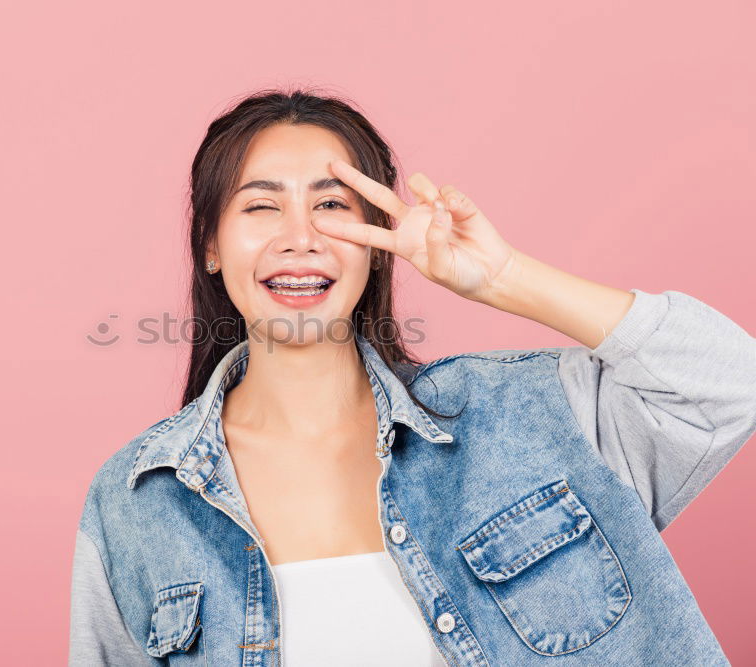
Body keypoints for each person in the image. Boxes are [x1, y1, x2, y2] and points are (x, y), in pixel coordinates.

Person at [69, 88, 756, 666]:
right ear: (212, 246)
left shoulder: (528, 414)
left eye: (333, 205)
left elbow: (731, 382)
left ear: (379, 242)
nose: (300, 236)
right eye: (261, 205)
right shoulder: (136, 499)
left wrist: (504, 278)